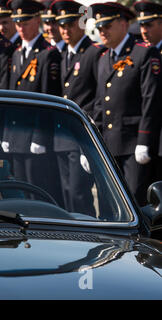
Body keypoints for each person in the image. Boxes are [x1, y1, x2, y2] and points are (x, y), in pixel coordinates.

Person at [91, 2, 161, 205]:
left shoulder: (143, 53)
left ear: (123, 24)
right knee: (109, 203)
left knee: (134, 202)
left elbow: (151, 99)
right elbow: (99, 105)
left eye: (107, 26)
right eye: (99, 28)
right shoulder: (104, 58)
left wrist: (144, 141)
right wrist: (93, 143)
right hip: (110, 144)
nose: (102, 32)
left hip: (133, 145)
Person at [0, 0, 63, 206]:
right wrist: (7, 133)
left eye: (25, 22)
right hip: (16, 135)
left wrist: (40, 136)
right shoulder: (17, 53)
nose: (20, 27)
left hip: (35, 138)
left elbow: (48, 100)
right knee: (20, 191)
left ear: (37, 20)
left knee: (39, 191)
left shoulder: (48, 53)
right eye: (17, 22)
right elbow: (10, 97)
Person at [51, 0, 106, 215]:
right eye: (62, 25)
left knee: (78, 193)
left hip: (81, 135)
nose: (65, 30)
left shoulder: (93, 53)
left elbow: (99, 96)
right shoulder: (62, 53)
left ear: (81, 24)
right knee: (65, 194)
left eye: (70, 24)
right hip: (62, 135)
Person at [133, 1, 162, 183]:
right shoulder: (140, 53)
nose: (144, 30)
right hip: (145, 136)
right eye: (142, 25)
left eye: (149, 25)